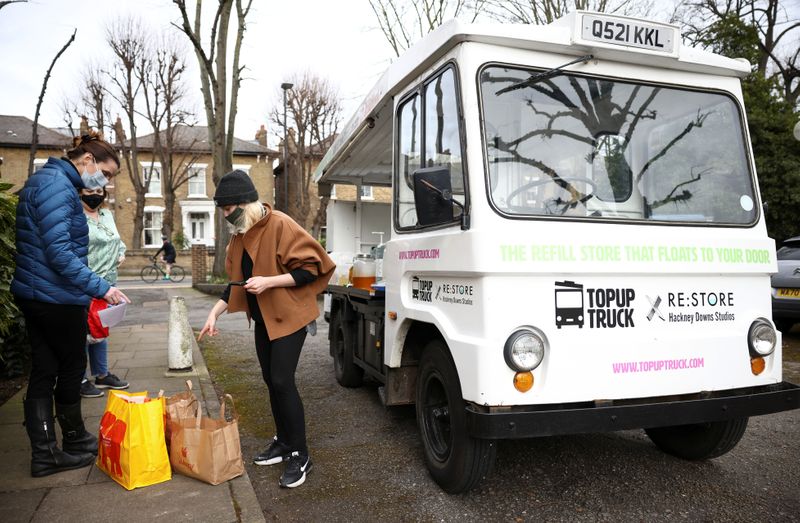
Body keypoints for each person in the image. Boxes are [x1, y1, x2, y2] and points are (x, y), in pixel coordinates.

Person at [198, 169, 335, 489]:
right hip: (264, 320)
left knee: (282, 380)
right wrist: (214, 314)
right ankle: (284, 442)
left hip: (290, 317)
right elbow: (235, 285)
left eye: (228, 210)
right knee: (270, 382)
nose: (225, 216)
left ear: (245, 203)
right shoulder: (240, 235)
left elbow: (309, 269)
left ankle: (300, 454)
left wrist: (270, 281)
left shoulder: (281, 224)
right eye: (222, 211)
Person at [11, 131, 130, 477]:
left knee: (46, 369)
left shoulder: (50, 181)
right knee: (71, 367)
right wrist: (102, 289)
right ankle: (71, 441)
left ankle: (49, 452)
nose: (104, 182)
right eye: (106, 173)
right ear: (88, 160)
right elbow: (60, 253)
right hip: (54, 296)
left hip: (40, 292)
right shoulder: (58, 188)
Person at [78, 181, 129, 398]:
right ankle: (79, 379)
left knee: (101, 329)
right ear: (80, 192)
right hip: (86, 282)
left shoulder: (107, 215)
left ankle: (101, 374)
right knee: (81, 333)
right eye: (89, 191)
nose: (95, 195)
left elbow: (117, 240)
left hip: (108, 283)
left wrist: (122, 251)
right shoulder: (76, 217)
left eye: (99, 191)